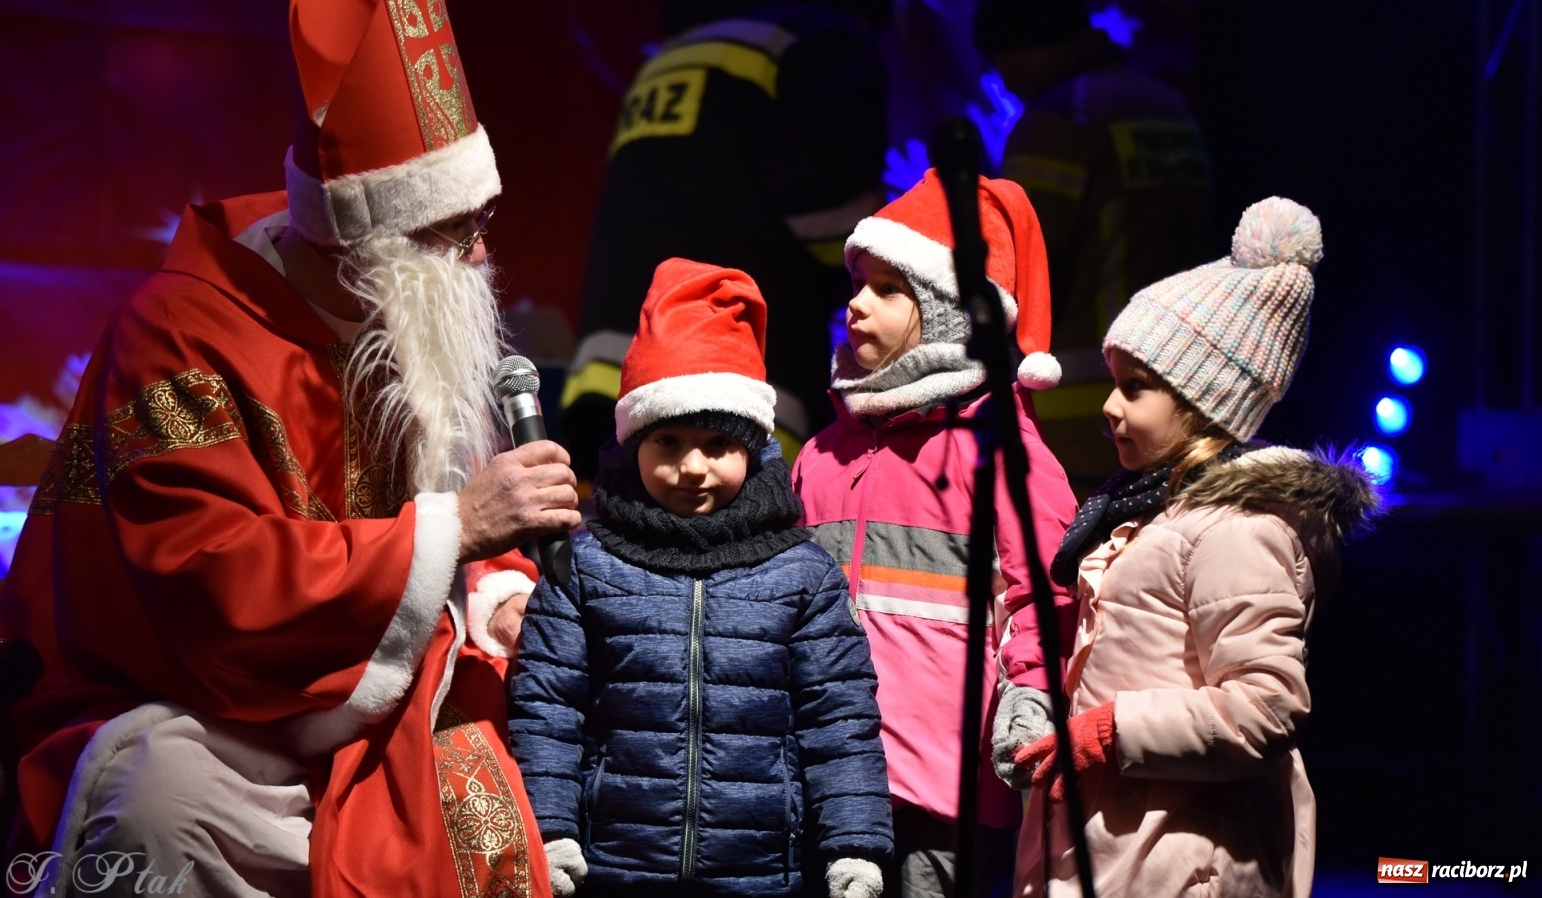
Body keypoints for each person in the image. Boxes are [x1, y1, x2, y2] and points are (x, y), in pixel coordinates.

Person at [0, 2, 580, 895]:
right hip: (193, 697)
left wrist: (496, 589)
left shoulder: (411, 319)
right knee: (161, 806)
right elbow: (208, 578)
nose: (480, 259)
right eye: (455, 233)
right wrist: (454, 531)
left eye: (483, 221)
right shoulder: (178, 334)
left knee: (504, 784)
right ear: (370, 245)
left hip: (390, 673)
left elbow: (473, 506)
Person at [1002, 198, 1382, 898]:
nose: (1109, 406)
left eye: (1136, 388)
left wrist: (1110, 732)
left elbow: (1265, 707)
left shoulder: (1238, 529)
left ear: (1205, 403)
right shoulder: (1145, 513)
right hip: (1117, 844)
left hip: (1186, 861)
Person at [508, 258, 892, 898]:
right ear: (634, 444)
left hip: (763, 873)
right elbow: (548, 709)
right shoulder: (584, 566)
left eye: (717, 445)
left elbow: (840, 718)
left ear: (753, 449)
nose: (692, 467)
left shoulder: (803, 575)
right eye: (668, 442)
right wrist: (549, 831)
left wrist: (854, 843)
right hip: (615, 868)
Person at [792, 170, 1078, 898]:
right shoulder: (821, 456)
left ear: (951, 315)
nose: (857, 303)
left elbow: (1045, 597)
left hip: (946, 793)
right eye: (857, 283)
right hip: (826, 781)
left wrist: (1032, 699)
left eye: (889, 289)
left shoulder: (999, 451)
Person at [559, 0, 891, 484]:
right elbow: (827, 215)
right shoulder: (824, 41)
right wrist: (878, 267)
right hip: (737, 382)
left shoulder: (672, 54)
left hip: (610, 375)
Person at [973, 0, 1217, 499]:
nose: (1007, 84)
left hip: (1079, 423)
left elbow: (1018, 267)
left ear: (1027, 48)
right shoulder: (1169, 110)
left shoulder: (1058, 121)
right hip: (1185, 401)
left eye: (1002, 66)